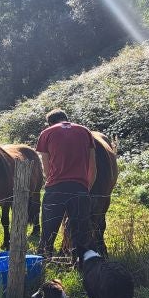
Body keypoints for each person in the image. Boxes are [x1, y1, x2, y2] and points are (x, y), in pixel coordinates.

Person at [36, 108, 96, 260]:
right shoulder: (85, 132)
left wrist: (52, 183)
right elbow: (92, 167)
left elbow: (46, 167)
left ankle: (45, 261)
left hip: (56, 188)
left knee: (48, 232)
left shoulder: (47, 133)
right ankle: (80, 265)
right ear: (66, 118)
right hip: (80, 188)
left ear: (50, 123)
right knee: (80, 234)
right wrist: (85, 188)